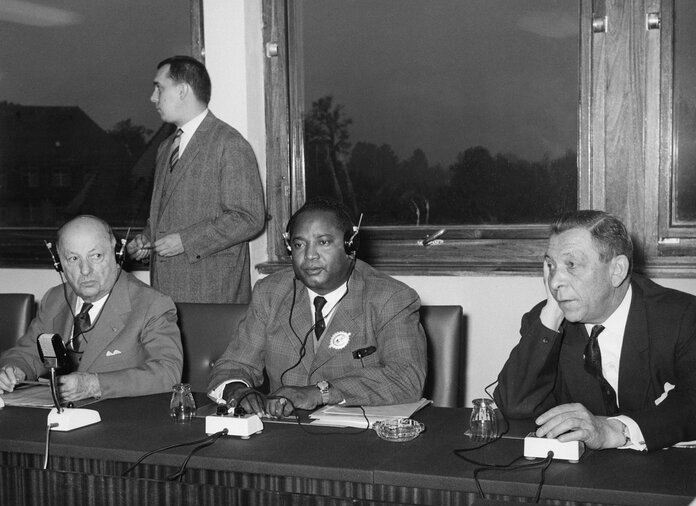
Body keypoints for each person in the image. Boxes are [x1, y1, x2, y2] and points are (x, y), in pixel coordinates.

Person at [495, 210, 696, 451]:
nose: (555, 281)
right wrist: (552, 312)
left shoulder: (681, 316)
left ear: (616, 270)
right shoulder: (547, 322)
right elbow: (513, 405)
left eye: (572, 265)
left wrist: (616, 429)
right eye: (551, 265)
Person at [207, 198, 427, 418]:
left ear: (351, 246)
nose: (310, 255)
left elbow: (405, 378)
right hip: (285, 436)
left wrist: (318, 393)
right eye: (299, 244)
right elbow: (233, 364)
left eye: (323, 242)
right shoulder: (270, 293)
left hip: (361, 438)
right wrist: (238, 390)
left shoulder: (390, 297)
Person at [127, 55, 265, 304]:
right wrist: (147, 239)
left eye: (159, 88)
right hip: (165, 296)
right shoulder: (166, 147)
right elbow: (167, 213)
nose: (153, 97)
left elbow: (249, 218)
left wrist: (185, 241)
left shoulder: (230, 144)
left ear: (182, 91)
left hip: (211, 295)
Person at [0, 215, 183, 402]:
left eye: (96, 256)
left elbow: (168, 374)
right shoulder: (54, 299)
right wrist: (14, 369)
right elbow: (28, 351)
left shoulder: (151, 304)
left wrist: (95, 385)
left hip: (122, 421)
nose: (85, 270)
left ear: (115, 253)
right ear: (59, 263)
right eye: (73, 258)